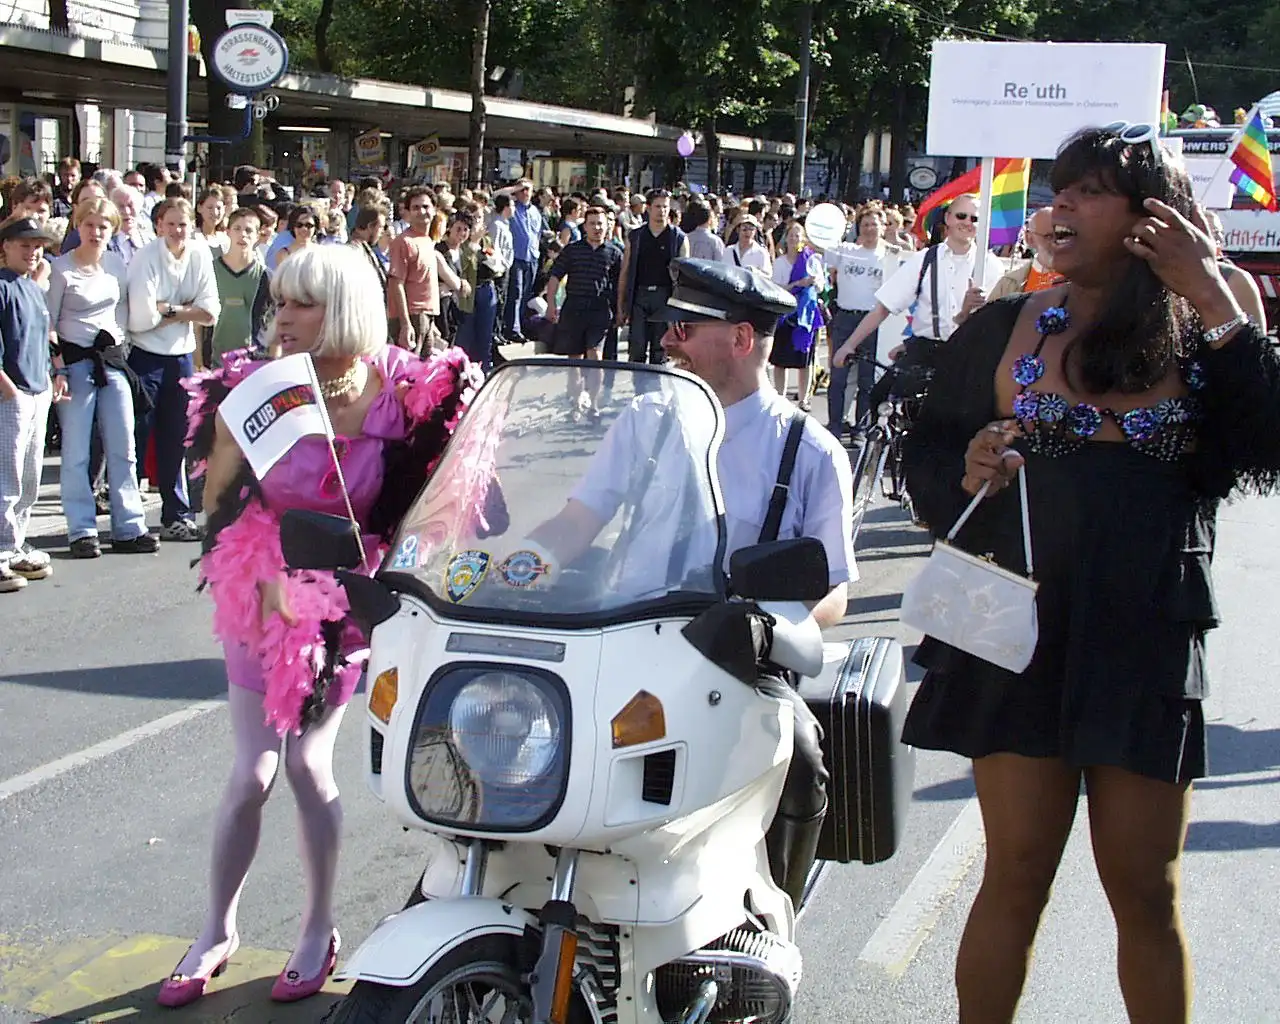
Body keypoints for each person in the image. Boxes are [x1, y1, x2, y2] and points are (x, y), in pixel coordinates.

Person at [901, 126, 1280, 1024]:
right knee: (1017, 872)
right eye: (1057, 190)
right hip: (1020, 627)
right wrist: (972, 460)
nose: (1059, 206)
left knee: (1144, 888)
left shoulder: (1215, 329)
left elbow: (1265, 447)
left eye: (1088, 192)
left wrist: (1210, 297)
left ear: (1152, 218)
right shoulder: (1003, 324)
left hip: (1147, 627)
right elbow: (928, 453)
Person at [162, 244, 480, 1009]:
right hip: (264, 586)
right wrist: (264, 577)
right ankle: (215, 929)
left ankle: (316, 928)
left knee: (306, 765)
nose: (283, 318)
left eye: (303, 304)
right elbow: (214, 508)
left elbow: (447, 508)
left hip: (345, 597)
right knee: (250, 774)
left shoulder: (409, 393)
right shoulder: (253, 385)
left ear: (344, 309)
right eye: (280, 301)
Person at [528, 256, 853, 906]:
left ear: (738, 338)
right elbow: (575, 523)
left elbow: (833, 591)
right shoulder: (648, 421)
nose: (668, 338)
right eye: (671, 323)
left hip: (736, 660)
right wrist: (509, 571)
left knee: (800, 754)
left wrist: (766, 629)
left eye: (684, 325)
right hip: (622, 641)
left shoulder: (810, 450)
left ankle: (775, 910)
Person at [47, 198, 155, 559]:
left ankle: (129, 526)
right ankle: (81, 529)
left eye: (103, 226)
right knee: (77, 452)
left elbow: (122, 308)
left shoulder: (115, 265)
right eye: (89, 224)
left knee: (123, 448)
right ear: (77, 226)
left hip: (111, 362)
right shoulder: (60, 270)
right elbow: (49, 324)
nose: (96, 232)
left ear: (112, 230)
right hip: (75, 364)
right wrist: (59, 368)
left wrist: (119, 342)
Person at [832, 193, 1006, 379]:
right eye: (961, 216)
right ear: (948, 218)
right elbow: (883, 307)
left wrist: (967, 313)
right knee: (883, 397)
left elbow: (996, 325)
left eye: (975, 218)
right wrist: (849, 345)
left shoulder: (991, 266)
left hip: (970, 358)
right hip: (926, 354)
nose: (967, 222)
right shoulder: (924, 259)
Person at [126, 197, 220, 542]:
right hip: (145, 356)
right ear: (158, 226)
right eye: (171, 224)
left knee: (176, 438)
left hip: (181, 355)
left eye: (183, 224)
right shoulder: (145, 258)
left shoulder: (198, 255)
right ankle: (129, 517)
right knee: (136, 436)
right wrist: (186, 311)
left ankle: (175, 515)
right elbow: (142, 316)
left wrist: (169, 310)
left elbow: (211, 311)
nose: (178, 231)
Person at [0, 216, 64, 593]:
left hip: (38, 389)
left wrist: (54, 375)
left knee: (29, 477)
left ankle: (15, 541)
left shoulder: (32, 288)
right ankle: (1, 548)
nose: (32, 251)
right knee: (6, 476)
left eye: (37, 245)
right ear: (5, 246)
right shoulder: (3, 287)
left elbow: (41, 340)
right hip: (13, 392)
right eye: (24, 244)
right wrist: (7, 386)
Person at [824, 206, 901, 439]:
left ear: (883, 226)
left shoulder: (890, 255)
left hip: (873, 320)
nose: (869, 229)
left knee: (867, 380)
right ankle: (835, 425)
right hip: (845, 317)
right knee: (838, 376)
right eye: (865, 224)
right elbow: (817, 244)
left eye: (874, 224)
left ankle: (862, 427)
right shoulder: (846, 250)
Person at [545, 204, 622, 411]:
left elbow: (621, 286)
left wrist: (621, 311)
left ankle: (594, 403)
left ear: (607, 227)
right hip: (574, 307)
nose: (597, 228)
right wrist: (551, 304)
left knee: (595, 355)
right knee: (575, 358)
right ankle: (575, 399)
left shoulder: (614, 254)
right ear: (585, 227)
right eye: (592, 224)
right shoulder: (572, 250)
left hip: (600, 309)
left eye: (600, 224)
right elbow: (555, 276)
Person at [386, 186, 465, 355]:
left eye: (426, 207)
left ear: (435, 210)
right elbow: (396, 284)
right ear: (407, 213)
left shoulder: (428, 241)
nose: (422, 211)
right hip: (411, 317)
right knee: (408, 374)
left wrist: (432, 324)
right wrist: (405, 324)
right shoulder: (404, 242)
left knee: (423, 373)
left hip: (426, 317)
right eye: (415, 208)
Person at [617, 189, 689, 366]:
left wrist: (681, 311)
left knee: (661, 350)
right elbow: (625, 272)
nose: (662, 210)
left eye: (665, 206)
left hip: (665, 297)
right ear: (648, 208)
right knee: (637, 348)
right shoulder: (636, 236)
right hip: (639, 296)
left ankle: (656, 392)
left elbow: (684, 278)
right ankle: (636, 391)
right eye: (657, 206)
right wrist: (621, 304)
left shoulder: (678, 237)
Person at [769, 222, 825, 411]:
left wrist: (812, 283)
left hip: (806, 315)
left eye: (798, 235)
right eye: (791, 235)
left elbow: (821, 287)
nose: (794, 239)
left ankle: (804, 399)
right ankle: (780, 396)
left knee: (805, 360)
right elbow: (776, 287)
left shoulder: (811, 260)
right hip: (786, 314)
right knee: (780, 361)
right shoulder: (780, 262)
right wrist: (796, 284)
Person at [210, 208, 271, 367]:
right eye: (237, 228)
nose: (242, 234)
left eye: (249, 230)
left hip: (253, 362)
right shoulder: (210, 270)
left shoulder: (265, 276)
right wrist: (197, 361)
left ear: (257, 236)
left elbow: (274, 322)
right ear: (228, 231)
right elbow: (197, 324)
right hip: (214, 360)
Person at [500, 179, 544, 343]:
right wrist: (513, 189)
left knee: (525, 294)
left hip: (532, 258)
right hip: (517, 258)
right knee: (515, 293)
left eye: (528, 190)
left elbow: (538, 233)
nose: (525, 193)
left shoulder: (535, 211)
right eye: (522, 190)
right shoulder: (512, 208)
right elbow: (495, 197)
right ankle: (512, 329)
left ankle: (521, 325)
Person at [987, 207, 1064, 301]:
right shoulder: (1010, 283)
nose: (1056, 242)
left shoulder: (1081, 281)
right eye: (1049, 236)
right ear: (1030, 239)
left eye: (1062, 235)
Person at [273, 205, 319, 270]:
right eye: (299, 225)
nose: (304, 229)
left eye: (308, 225)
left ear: (315, 228)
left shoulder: (322, 253)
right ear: (293, 227)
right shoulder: (283, 254)